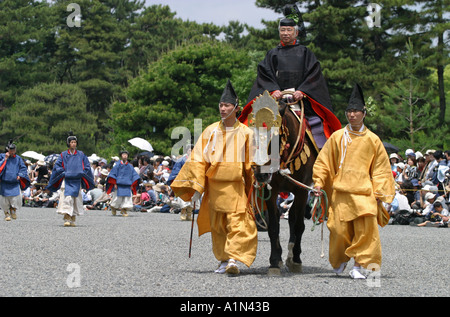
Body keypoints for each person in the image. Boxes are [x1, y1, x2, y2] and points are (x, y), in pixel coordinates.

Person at [171, 80, 256, 275]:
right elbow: (198, 159)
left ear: (236, 108)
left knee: (237, 223)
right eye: (221, 105)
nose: (223, 108)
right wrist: (195, 186)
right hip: (214, 187)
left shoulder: (246, 133)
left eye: (227, 105)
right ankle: (223, 259)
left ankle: (234, 259)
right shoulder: (210, 131)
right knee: (218, 226)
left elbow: (251, 163)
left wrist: (255, 179)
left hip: (235, 186)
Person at [312, 84, 396, 279]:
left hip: (365, 194)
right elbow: (324, 162)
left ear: (364, 113)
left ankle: (358, 266)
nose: (352, 114)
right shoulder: (337, 137)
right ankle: (341, 259)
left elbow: (381, 168)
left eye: (356, 111)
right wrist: (318, 182)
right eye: (349, 111)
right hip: (341, 192)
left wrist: (380, 193)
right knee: (339, 231)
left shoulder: (373, 140)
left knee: (365, 233)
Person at [238, 5, 341, 149]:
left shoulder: (305, 53)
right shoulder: (272, 54)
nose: (286, 33)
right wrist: (273, 90)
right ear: (279, 32)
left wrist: (303, 91)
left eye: (289, 30)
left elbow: (314, 75)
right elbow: (264, 74)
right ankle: (252, 161)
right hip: (276, 100)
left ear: (296, 33)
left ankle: (323, 157)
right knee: (255, 127)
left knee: (318, 127)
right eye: (283, 30)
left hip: (301, 101)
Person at [46, 133, 95, 227]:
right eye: (71, 142)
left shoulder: (81, 154)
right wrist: (64, 172)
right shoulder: (63, 155)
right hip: (67, 179)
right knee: (67, 198)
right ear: (68, 143)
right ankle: (67, 217)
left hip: (77, 180)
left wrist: (82, 172)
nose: (73, 144)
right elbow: (57, 166)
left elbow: (87, 166)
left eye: (75, 142)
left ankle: (73, 218)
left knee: (76, 199)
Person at [0, 141, 30, 221]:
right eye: (11, 150)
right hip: (4, 182)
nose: (12, 152)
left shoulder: (18, 158)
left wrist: (20, 174)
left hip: (14, 183)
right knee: (4, 200)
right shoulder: (2, 156)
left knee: (16, 198)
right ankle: (6, 213)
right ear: (8, 150)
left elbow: (23, 168)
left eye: (13, 150)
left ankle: (13, 210)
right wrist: (5, 159)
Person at [106, 150, 140, 217]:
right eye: (123, 154)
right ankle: (114, 208)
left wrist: (132, 184)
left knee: (127, 198)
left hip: (128, 185)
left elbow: (134, 175)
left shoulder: (130, 167)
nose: (125, 156)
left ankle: (124, 209)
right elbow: (113, 174)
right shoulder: (117, 165)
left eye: (126, 154)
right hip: (119, 185)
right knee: (117, 198)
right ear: (121, 156)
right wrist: (114, 183)